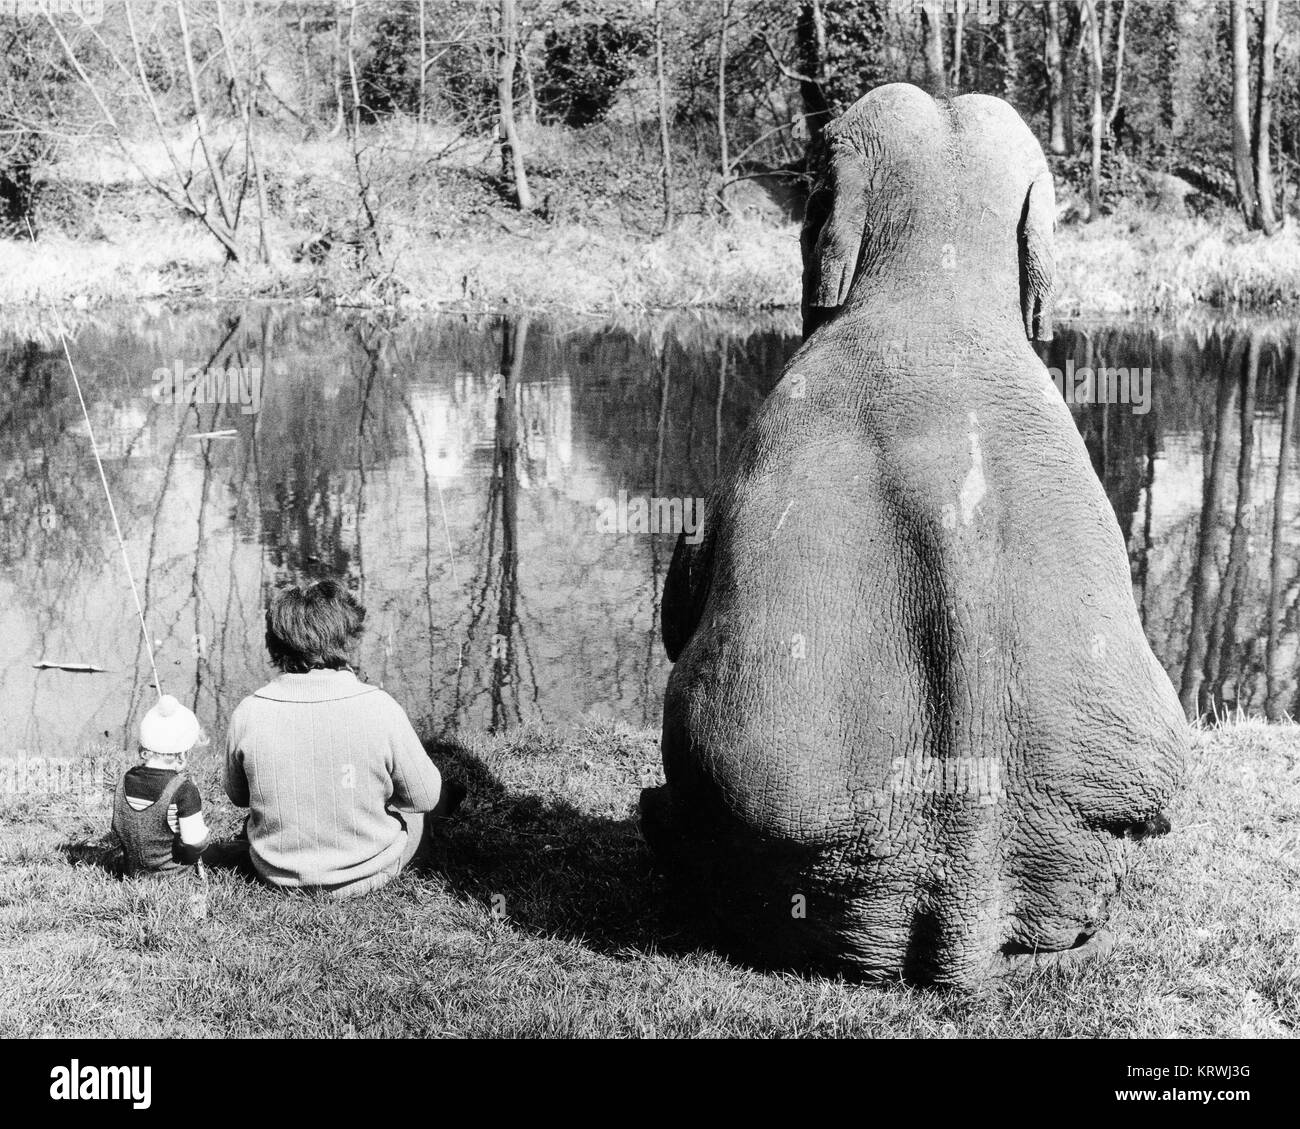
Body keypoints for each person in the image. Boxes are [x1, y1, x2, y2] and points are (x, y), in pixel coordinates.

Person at [220, 578, 461, 897]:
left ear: (275, 644)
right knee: (434, 800)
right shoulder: (379, 706)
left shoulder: (248, 712)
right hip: (371, 872)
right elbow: (425, 798)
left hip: (277, 873)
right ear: (346, 640)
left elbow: (238, 796)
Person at [112, 695, 210, 876]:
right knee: (227, 851)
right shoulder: (184, 790)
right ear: (181, 756)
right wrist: (204, 836)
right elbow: (194, 843)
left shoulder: (123, 780)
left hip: (131, 872)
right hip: (172, 876)